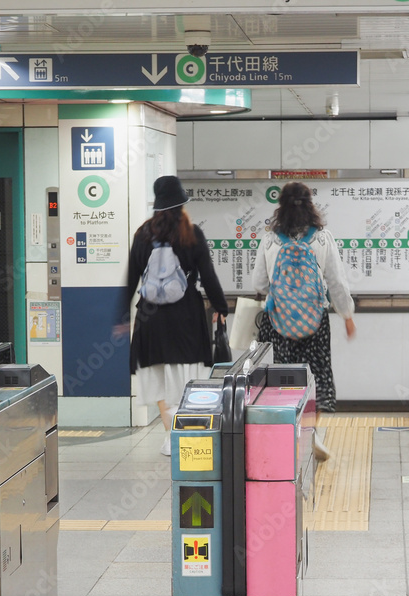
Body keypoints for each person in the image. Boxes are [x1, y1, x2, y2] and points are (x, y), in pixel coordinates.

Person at [125, 175, 229, 456]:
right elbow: (208, 276)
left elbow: (132, 278)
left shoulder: (142, 235)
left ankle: (171, 433)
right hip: (186, 317)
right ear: (182, 204)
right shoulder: (192, 233)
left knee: (158, 377)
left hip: (150, 318)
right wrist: (221, 307)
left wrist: (123, 315)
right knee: (186, 379)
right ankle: (183, 432)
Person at [252, 181, 356, 413]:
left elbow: (258, 282)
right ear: (310, 205)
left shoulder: (270, 239)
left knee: (285, 378)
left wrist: (283, 293)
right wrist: (347, 315)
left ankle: (290, 434)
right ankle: (314, 435)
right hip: (315, 321)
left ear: (281, 206)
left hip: (279, 322)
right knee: (317, 374)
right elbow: (336, 281)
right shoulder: (322, 238)